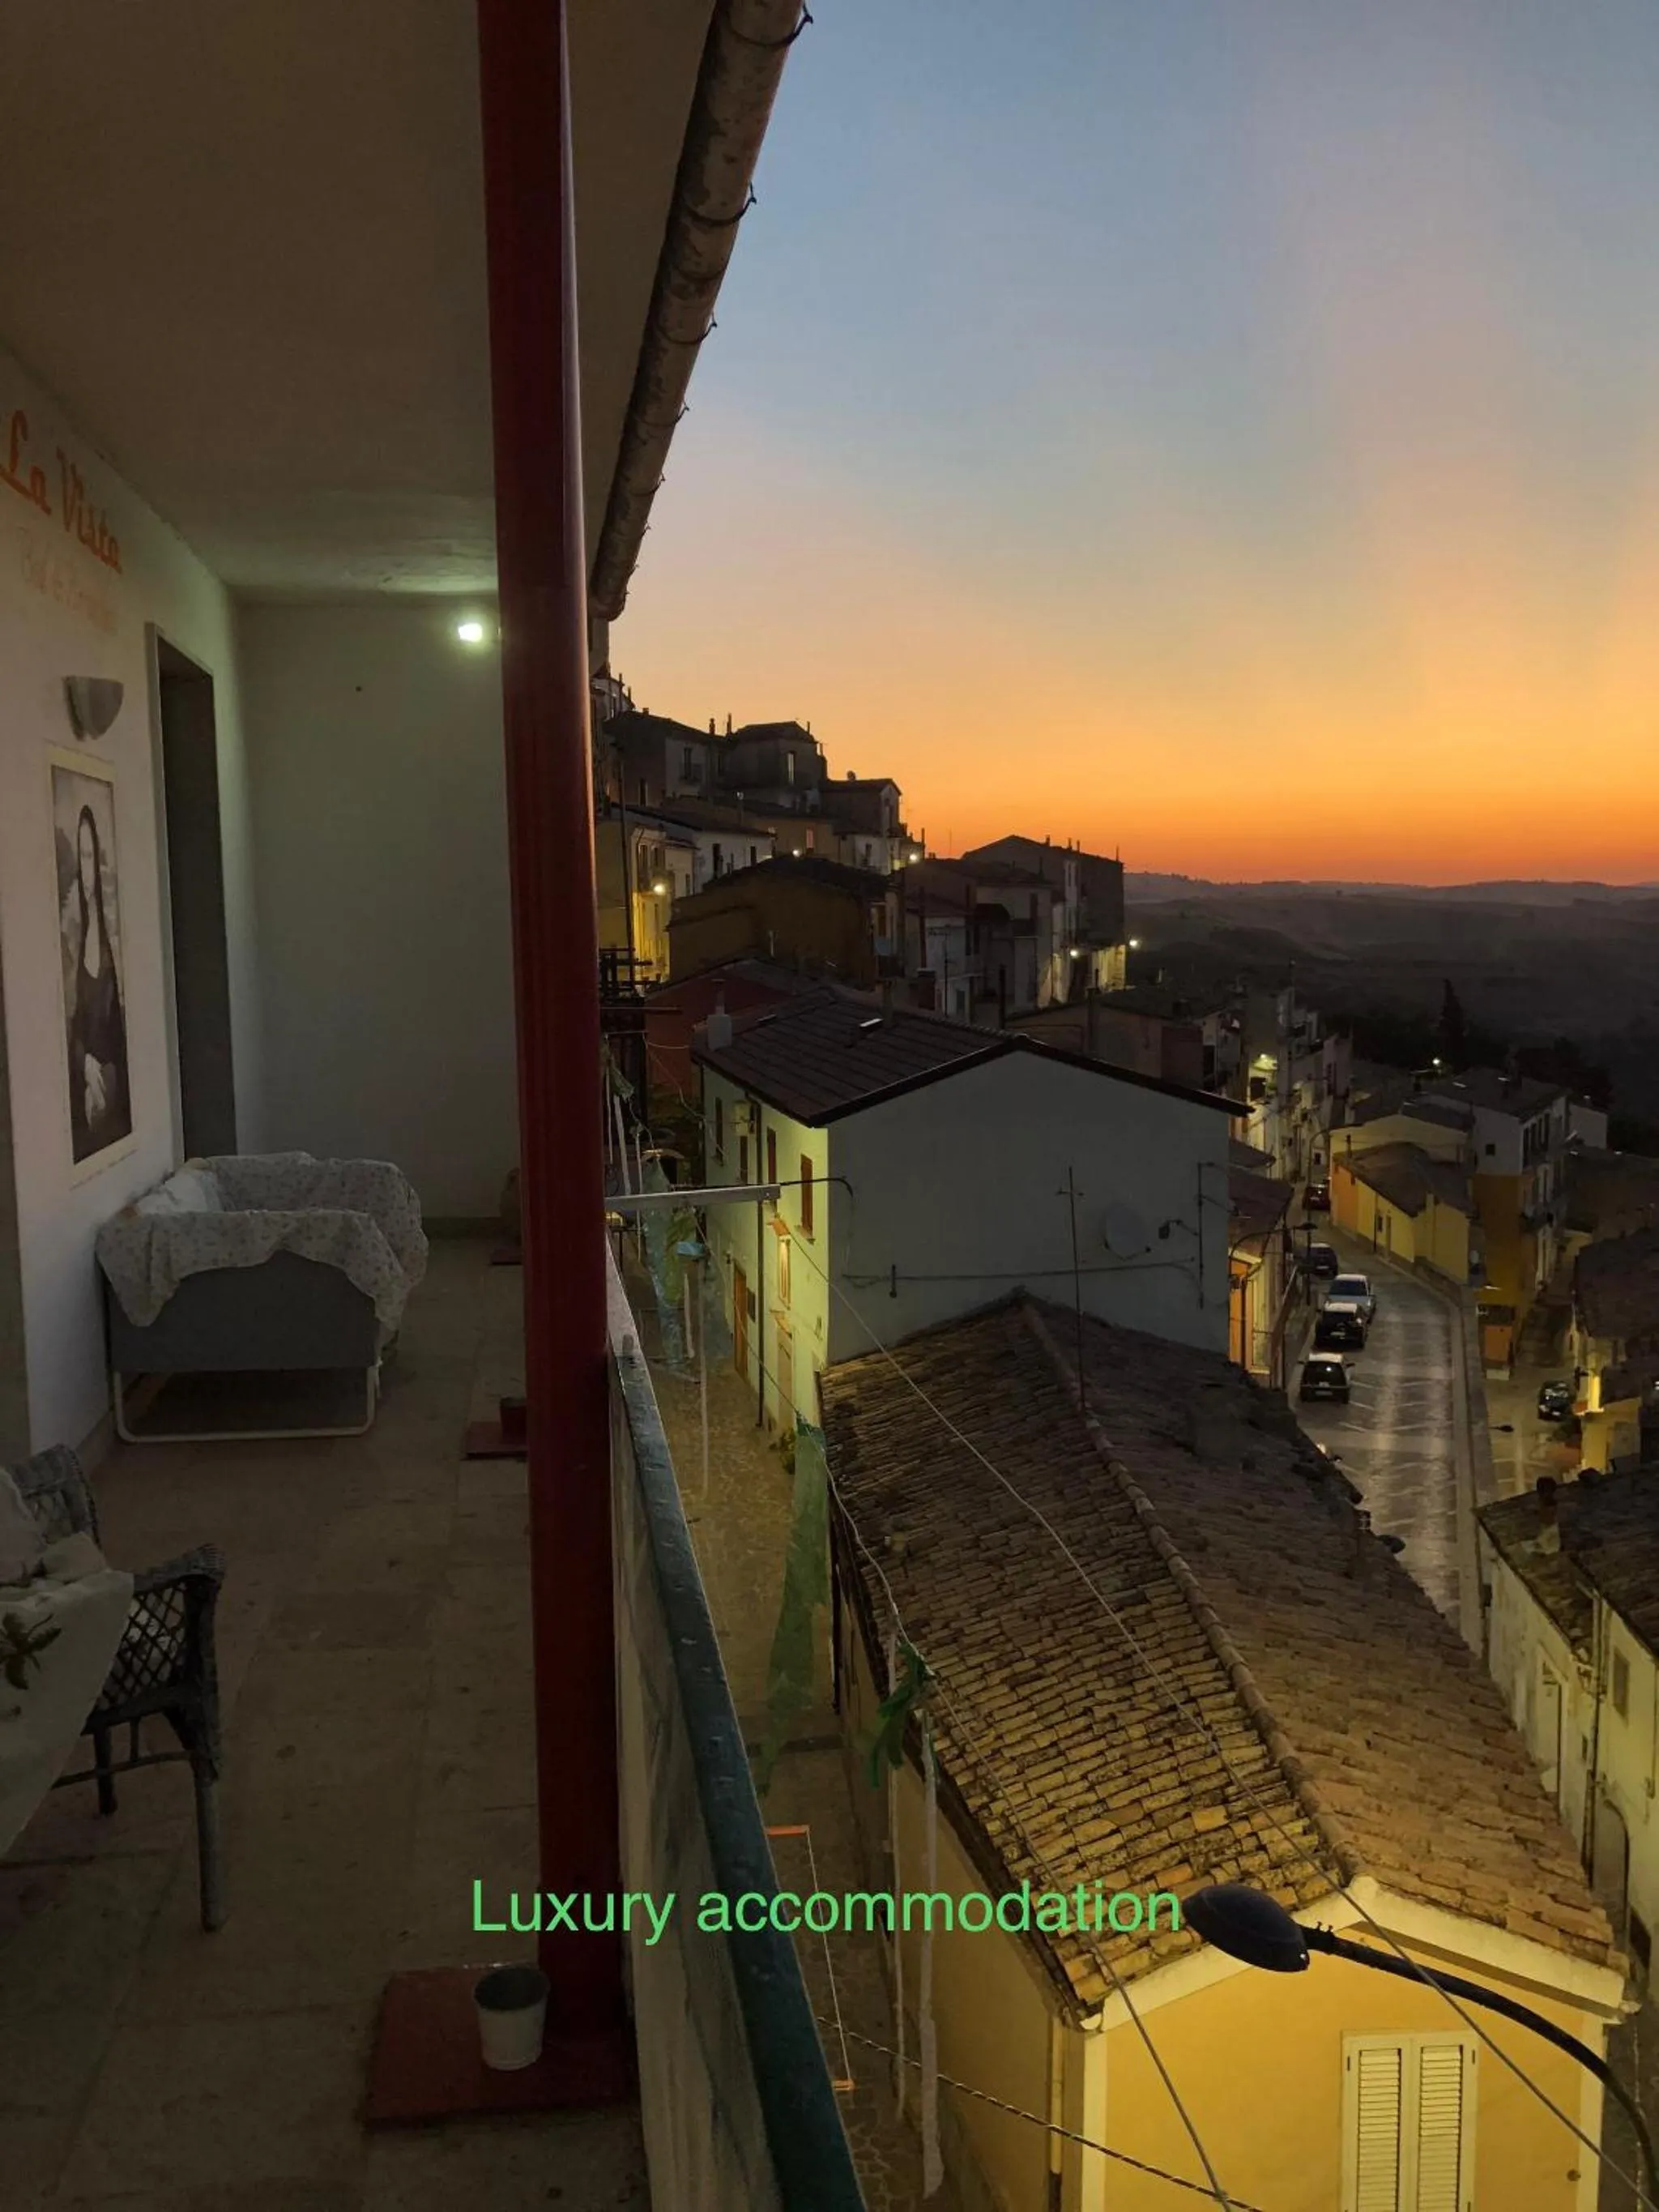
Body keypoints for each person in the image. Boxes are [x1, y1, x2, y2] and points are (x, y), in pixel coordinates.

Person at [66, 803, 130, 1160]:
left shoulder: (110, 943)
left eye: (90, 856)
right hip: (86, 1087)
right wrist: (84, 1063)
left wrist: (100, 1067)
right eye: (81, 856)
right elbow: (72, 1024)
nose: (85, 870)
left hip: (109, 1086)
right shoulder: (74, 939)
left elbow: (116, 1030)